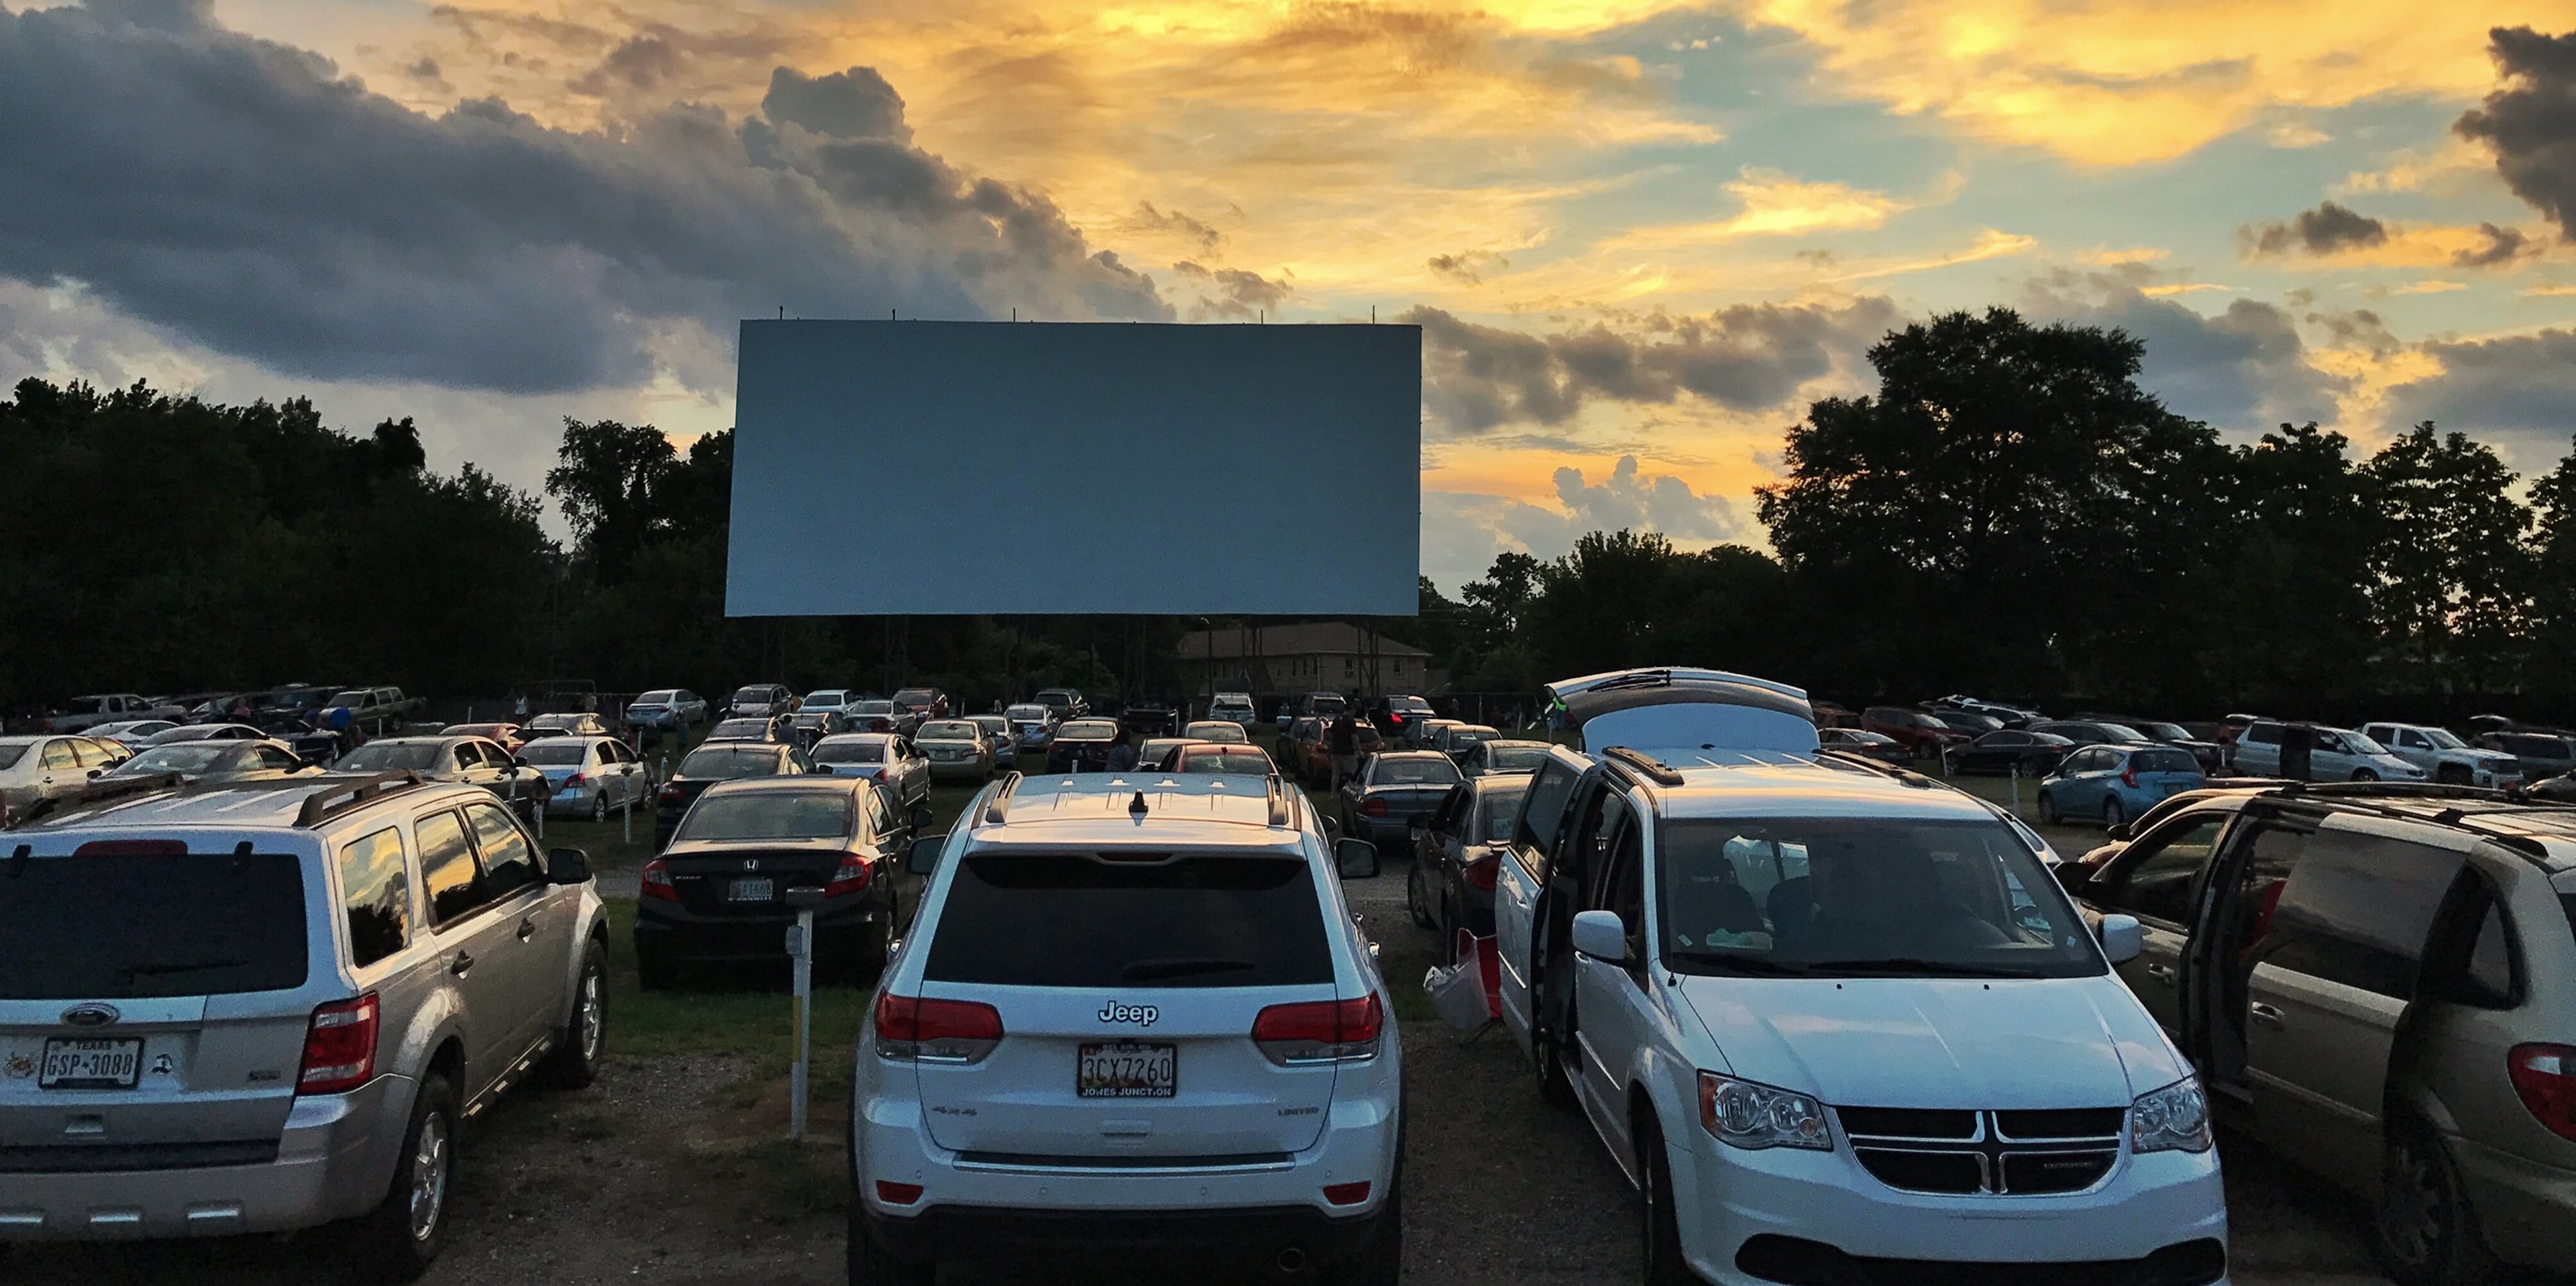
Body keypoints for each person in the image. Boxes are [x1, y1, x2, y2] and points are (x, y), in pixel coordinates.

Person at [1328, 708, 1359, 788]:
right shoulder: (1350, 721)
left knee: (1335, 775)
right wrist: (1358, 749)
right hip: (1348, 752)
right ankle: (1349, 791)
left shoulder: (1337, 719)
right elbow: (1354, 736)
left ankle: (1333, 794)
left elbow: (1331, 734)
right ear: (1351, 710)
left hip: (1336, 751)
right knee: (1352, 774)